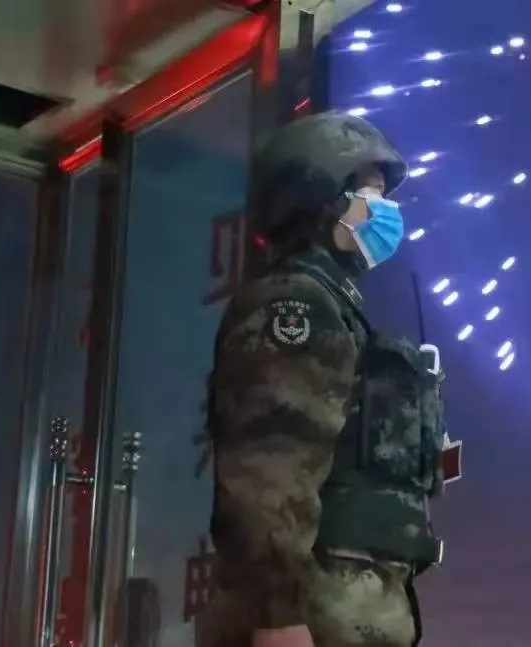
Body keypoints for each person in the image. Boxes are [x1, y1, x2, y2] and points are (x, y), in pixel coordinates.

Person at [198, 111, 451, 647]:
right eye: (370, 194)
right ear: (320, 199)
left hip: (344, 613)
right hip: (308, 617)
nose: (385, 211)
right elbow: (268, 471)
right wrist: (276, 620)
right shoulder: (296, 305)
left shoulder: (334, 306)